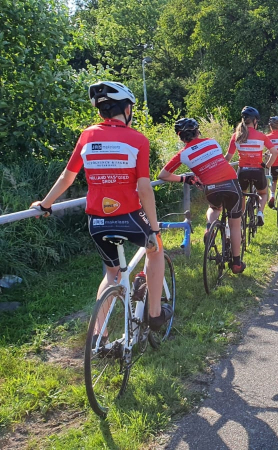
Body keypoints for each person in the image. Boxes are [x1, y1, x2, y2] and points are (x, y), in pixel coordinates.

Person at [31, 81, 171, 333]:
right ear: (127, 110)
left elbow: (67, 176)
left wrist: (45, 204)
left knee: (112, 273)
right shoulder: (138, 139)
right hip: (129, 216)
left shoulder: (87, 135)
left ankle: (99, 336)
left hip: (96, 221)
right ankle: (155, 315)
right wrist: (154, 227)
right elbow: (144, 188)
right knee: (156, 250)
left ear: (100, 111)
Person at [158, 118, 247, 274]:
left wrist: (185, 179)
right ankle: (237, 263)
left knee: (214, 207)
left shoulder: (183, 154)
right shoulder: (212, 142)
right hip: (231, 183)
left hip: (211, 188)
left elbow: (163, 175)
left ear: (180, 137)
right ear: (197, 131)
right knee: (235, 224)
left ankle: (209, 229)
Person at [225, 106, 270, 226]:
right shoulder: (261, 136)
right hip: (258, 170)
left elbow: (228, 157)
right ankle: (260, 213)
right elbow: (275, 152)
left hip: (242, 170)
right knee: (263, 193)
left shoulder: (236, 136)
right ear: (254, 121)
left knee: (242, 194)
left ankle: (241, 219)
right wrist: (267, 165)